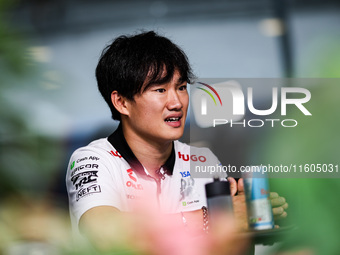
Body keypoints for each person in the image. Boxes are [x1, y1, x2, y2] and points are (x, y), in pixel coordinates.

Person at [66, 31, 287, 254]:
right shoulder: (93, 160)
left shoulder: (202, 160)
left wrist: (251, 218)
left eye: (181, 88)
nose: (176, 102)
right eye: (160, 90)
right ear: (121, 102)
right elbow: (103, 232)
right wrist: (212, 218)